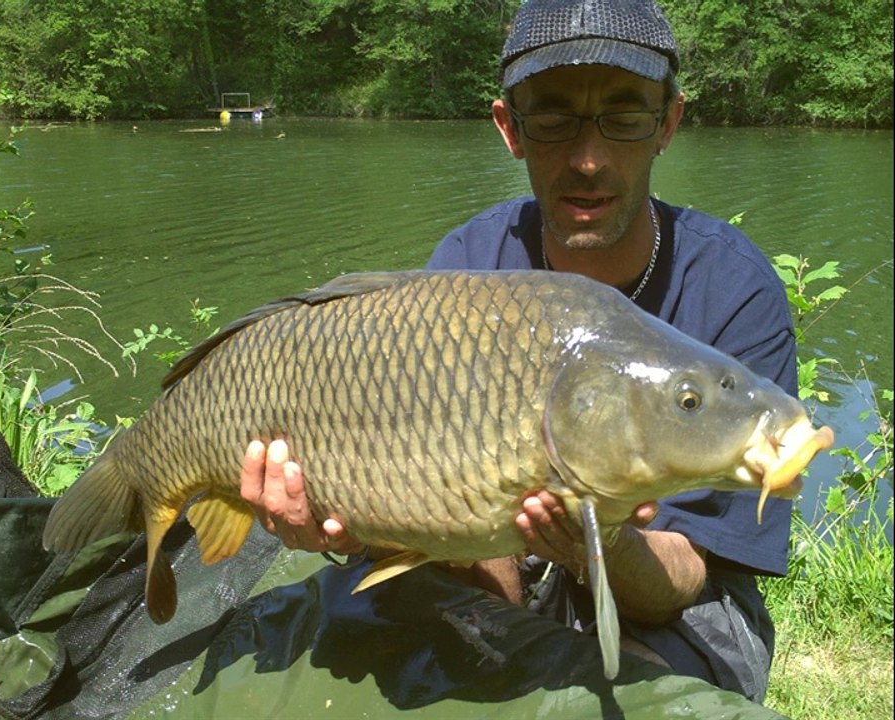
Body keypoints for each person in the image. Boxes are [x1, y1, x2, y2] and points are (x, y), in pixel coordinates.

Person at [239, 0, 797, 705]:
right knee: (427, 653)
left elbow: (688, 576)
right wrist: (354, 519)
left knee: (649, 691)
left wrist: (606, 541)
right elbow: (457, 532)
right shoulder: (470, 265)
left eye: (623, 118)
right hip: (500, 558)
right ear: (509, 129)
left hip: (674, 597)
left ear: (668, 124)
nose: (588, 159)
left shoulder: (735, 289)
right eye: (553, 120)